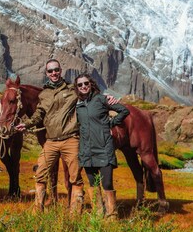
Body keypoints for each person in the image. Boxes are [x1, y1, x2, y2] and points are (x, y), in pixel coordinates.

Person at [15, 58, 84, 213]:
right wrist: (26, 124)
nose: (54, 73)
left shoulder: (73, 89)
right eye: (50, 71)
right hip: (51, 141)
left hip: (70, 140)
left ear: (61, 71)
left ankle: (75, 213)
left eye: (56, 70)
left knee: (75, 177)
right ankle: (38, 211)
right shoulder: (44, 94)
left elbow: (89, 94)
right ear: (46, 73)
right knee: (40, 174)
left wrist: (106, 98)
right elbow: (39, 114)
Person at [75, 74, 129, 219]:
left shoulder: (101, 99)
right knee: (93, 185)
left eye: (86, 83)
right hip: (87, 150)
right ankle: (99, 216)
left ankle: (111, 217)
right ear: (77, 88)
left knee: (106, 183)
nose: (83, 86)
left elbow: (124, 111)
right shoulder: (77, 105)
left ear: (91, 84)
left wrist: (110, 124)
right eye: (80, 85)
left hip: (104, 148)